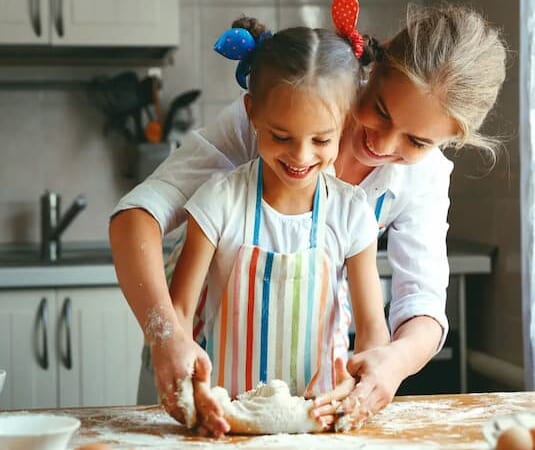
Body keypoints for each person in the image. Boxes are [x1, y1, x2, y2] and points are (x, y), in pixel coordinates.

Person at [109, 0, 506, 435]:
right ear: (371, 72)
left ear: (449, 140)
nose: (382, 143)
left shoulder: (422, 179)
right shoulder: (277, 115)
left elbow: (422, 302)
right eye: (380, 109)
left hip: (311, 399)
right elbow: (139, 216)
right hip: (198, 372)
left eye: (416, 140)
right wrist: (167, 336)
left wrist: (392, 363)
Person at [165, 15, 390, 436]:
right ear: (252, 113)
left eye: (322, 140)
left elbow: (373, 328)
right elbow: (177, 314)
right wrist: (192, 385)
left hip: (322, 422)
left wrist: (361, 385)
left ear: (346, 124)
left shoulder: (350, 212)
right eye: (281, 136)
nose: (301, 156)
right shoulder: (220, 202)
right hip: (227, 422)